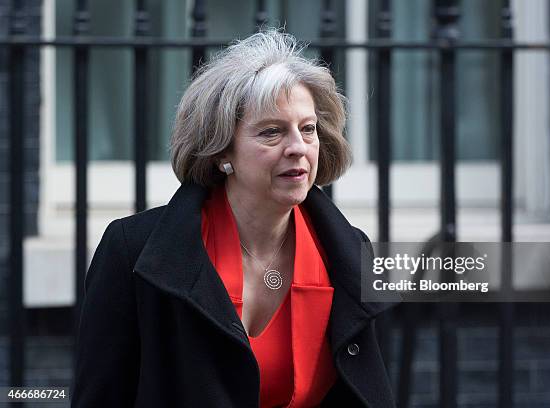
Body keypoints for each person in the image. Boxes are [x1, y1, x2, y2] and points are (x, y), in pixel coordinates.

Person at [72, 29, 396, 408]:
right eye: (272, 132)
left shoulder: (349, 251)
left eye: (308, 129)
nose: (298, 147)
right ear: (221, 149)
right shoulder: (131, 251)